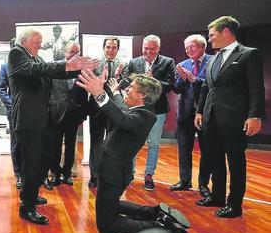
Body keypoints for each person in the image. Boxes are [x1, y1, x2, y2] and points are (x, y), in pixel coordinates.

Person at [76, 70, 191, 233]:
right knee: (111, 206)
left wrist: (100, 94)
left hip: (113, 172)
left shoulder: (145, 116)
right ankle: (154, 212)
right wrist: (114, 92)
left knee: (107, 225)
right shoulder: (140, 109)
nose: (126, 89)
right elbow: (121, 110)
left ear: (142, 96)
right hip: (112, 170)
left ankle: (158, 226)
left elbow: (123, 118)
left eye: (131, 87)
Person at [8, 27, 98, 225]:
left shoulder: (36, 58)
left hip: (43, 119)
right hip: (28, 120)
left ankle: (30, 194)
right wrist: (67, 64)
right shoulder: (17, 54)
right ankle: (27, 206)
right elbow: (36, 71)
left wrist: (79, 69)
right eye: (36, 42)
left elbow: (51, 73)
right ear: (24, 42)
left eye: (40, 42)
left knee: (43, 159)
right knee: (31, 164)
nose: (40, 45)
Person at [195, 16, 265, 218]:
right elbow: (206, 88)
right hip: (210, 119)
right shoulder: (214, 58)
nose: (210, 40)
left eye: (212, 35)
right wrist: (200, 111)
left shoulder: (249, 54)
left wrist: (255, 116)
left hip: (235, 120)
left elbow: (256, 88)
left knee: (235, 162)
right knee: (214, 160)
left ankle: (234, 205)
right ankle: (217, 197)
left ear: (226, 31)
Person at [125, 35, 175, 191]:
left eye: (151, 49)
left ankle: (148, 175)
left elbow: (170, 85)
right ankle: (129, 174)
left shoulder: (168, 62)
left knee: (153, 143)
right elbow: (128, 82)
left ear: (158, 48)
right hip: (136, 109)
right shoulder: (134, 62)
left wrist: (154, 81)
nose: (147, 52)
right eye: (145, 48)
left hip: (157, 110)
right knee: (132, 142)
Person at [170, 34, 211, 198]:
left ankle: (203, 184)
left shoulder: (213, 61)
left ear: (202, 46)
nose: (188, 50)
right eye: (186, 47)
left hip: (206, 113)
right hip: (185, 113)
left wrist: (194, 79)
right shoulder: (182, 65)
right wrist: (182, 77)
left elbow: (210, 85)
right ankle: (185, 180)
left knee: (206, 150)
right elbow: (177, 89)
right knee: (184, 148)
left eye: (191, 47)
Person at [88, 36, 126, 188]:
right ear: (103, 48)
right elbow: (89, 82)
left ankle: (109, 174)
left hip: (114, 109)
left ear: (117, 49)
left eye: (114, 48)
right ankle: (94, 176)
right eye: (108, 47)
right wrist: (99, 79)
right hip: (96, 108)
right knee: (96, 142)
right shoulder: (95, 63)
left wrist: (119, 76)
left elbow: (127, 84)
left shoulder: (123, 65)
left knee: (112, 142)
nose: (110, 50)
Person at [49, 41, 88, 186]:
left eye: (77, 52)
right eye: (71, 52)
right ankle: (55, 173)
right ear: (65, 52)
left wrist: (83, 114)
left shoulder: (83, 70)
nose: (74, 55)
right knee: (55, 145)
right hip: (57, 114)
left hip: (74, 115)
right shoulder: (56, 66)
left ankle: (67, 173)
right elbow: (49, 90)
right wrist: (52, 108)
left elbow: (84, 94)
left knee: (71, 145)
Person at [0, 37, 22, 189]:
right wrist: (13, 105)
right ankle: (18, 174)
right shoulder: (5, 66)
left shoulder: (30, 65)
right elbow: (1, 89)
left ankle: (28, 173)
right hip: (14, 111)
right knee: (16, 142)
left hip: (30, 111)